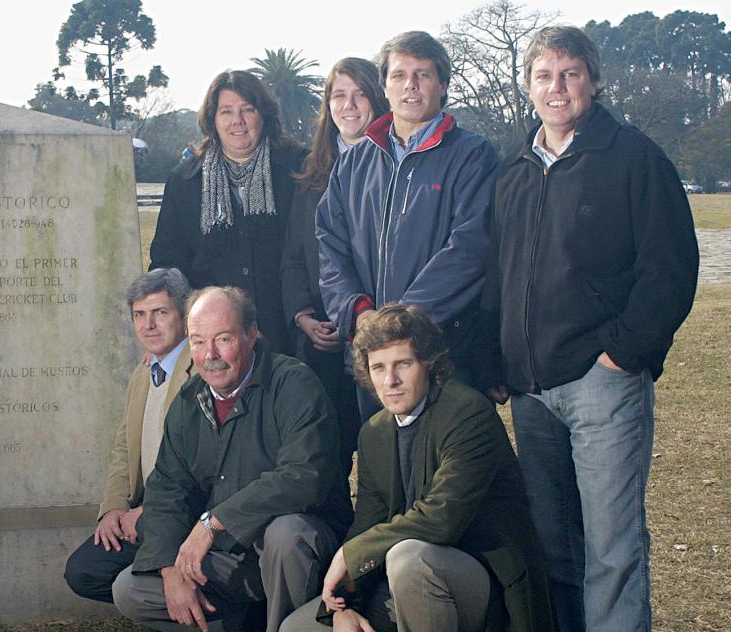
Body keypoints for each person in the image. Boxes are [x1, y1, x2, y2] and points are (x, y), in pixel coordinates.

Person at [487, 26, 699, 632]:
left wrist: (622, 354)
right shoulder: (513, 169)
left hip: (602, 382)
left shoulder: (633, 159)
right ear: (528, 84)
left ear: (595, 81)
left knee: (611, 536)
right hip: (531, 389)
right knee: (554, 536)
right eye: (544, 74)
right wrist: (500, 365)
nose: (557, 86)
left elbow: (670, 270)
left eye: (571, 73)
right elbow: (498, 276)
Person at [276, 304, 556, 632]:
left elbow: (442, 518)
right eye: (378, 367)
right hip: (408, 589)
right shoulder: (374, 431)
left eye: (402, 364)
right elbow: (367, 521)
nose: (390, 381)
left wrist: (351, 557)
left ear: (428, 362)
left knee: (409, 555)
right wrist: (342, 608)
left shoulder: (468, 413)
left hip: (483, 591)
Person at [112, 286, 353, 632]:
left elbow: (304, 476)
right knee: (130, 589)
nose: (210, 355)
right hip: (235, 564)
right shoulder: (188, 403)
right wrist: (170, 568)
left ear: (252, 333)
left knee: (287, 533)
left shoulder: (293, 383)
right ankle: (251, 630)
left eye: (223, 338)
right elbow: (167, 489)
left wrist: (213, 523)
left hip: (304, 552)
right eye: (199, 342)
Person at [317, 31, 499, 416]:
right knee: (384, 467)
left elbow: (470, 247)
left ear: (443, 84)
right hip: (373, 358)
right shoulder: (354, 162)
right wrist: (360, 314)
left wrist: (400, 325)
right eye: (399, 75)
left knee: (447, 470)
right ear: (384, 85)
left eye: (423, 75)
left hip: (442, 354)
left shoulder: (473, 155)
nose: (410, 86)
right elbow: (331, 246)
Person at [281, 56, 390, 481]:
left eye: (360, 94)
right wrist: (304, 316)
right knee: (328, 457)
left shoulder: (395, 166)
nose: (349, 105)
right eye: (338, 95)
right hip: (325, 342)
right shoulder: (311, 176)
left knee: (385, 454)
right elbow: (293, 255)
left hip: (381, 333)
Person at [149, 70, 305, 356]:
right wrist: (164, 333)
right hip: (215, 343)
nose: (238, 121)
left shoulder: (299, 169)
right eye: (227, 112)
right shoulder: (185, 181)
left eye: (248, 110)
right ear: (212, 119)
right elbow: (168, 264)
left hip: (291, 332)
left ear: (264, 115)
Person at [63, 268, 193, 607]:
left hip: (184, 511)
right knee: (83, 572)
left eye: (160, 313)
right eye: (140, 315)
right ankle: (169, 614)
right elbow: (124, 448)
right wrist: (113, 509)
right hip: (141, 514)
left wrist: (150, 512)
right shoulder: (143, 372)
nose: (148, 325)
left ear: (183, 315)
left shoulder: (202, 369)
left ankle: (193, 621)